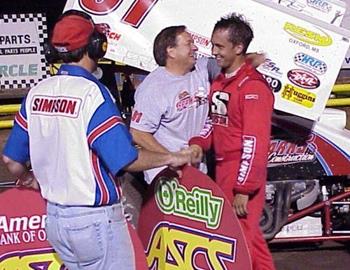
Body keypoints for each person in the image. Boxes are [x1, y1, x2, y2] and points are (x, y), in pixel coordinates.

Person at [1, 10, 191, 270]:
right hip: (94, 221)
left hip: (55, 219)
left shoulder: (37, 92)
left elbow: (11, 160)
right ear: (95, 46)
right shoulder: (92, 93)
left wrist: (30, 179)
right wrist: (172, 157)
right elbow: (126, 160)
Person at [189, 13, 275, 270]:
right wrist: (198, 143)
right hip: (223, 169)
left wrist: (243, 188)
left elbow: (255, 142)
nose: (213, 51)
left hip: (242, 172)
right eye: (213, 45)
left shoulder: (253, 88)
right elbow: (212, 122)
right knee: (244, 241)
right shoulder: (221, 81)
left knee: (242, 243)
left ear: (239, 48)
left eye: (220, 46)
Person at [129, 25, 263, 184]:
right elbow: (138, 132)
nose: (195, 47)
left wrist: (256, 58)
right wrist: (171, 158)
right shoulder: (154, 88)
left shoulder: (202, 68)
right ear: (171, 51)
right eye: (188, 44)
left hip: (198, 170)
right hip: (166, 175)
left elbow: (237, 63)